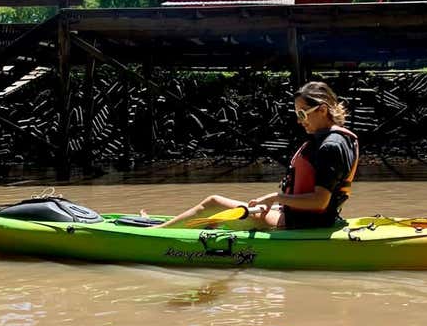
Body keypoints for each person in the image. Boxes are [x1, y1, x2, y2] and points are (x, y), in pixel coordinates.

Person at [146, 81, 359, 229]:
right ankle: (163, 225)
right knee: (243, 207)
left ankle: (152, 235)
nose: (299, 120)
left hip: (302, 224)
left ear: (322, 110)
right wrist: (276, 203)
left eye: (302, 113)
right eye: (297, 114)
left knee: (212, 203)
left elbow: (319, 202)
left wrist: (276, 197)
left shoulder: (331, 146)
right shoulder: (339, 140)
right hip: (308, 218)